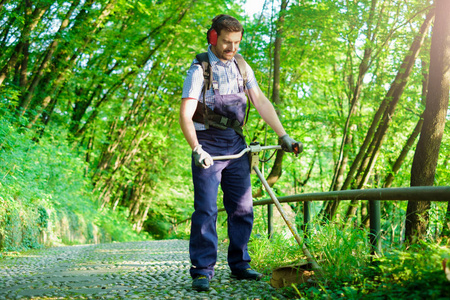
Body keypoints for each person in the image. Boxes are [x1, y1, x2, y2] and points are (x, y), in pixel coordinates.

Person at [179, 14, 301, 292]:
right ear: (213, 37)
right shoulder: (199, 70)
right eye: (226, 42)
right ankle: (202, 270)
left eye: (236, 42)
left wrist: (283, 135)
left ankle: (240, 263)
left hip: (236, 145)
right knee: (207, 210)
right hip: (207, 146)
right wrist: (196, 149)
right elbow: (185, 115)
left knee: (243, 208)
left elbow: (260, 100)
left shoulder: (242, 67)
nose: (231, 48)